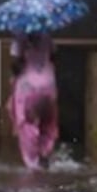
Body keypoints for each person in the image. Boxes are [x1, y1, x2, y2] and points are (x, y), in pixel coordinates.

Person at [7, 31, 58, 169]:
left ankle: (33, 163)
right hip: (48, 85)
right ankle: (45, 154)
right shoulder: (47, 36)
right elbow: (53, 57)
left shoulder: (19, 38)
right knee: (48, 122)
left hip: (28, 88)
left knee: (27, 124)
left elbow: (15, 64)